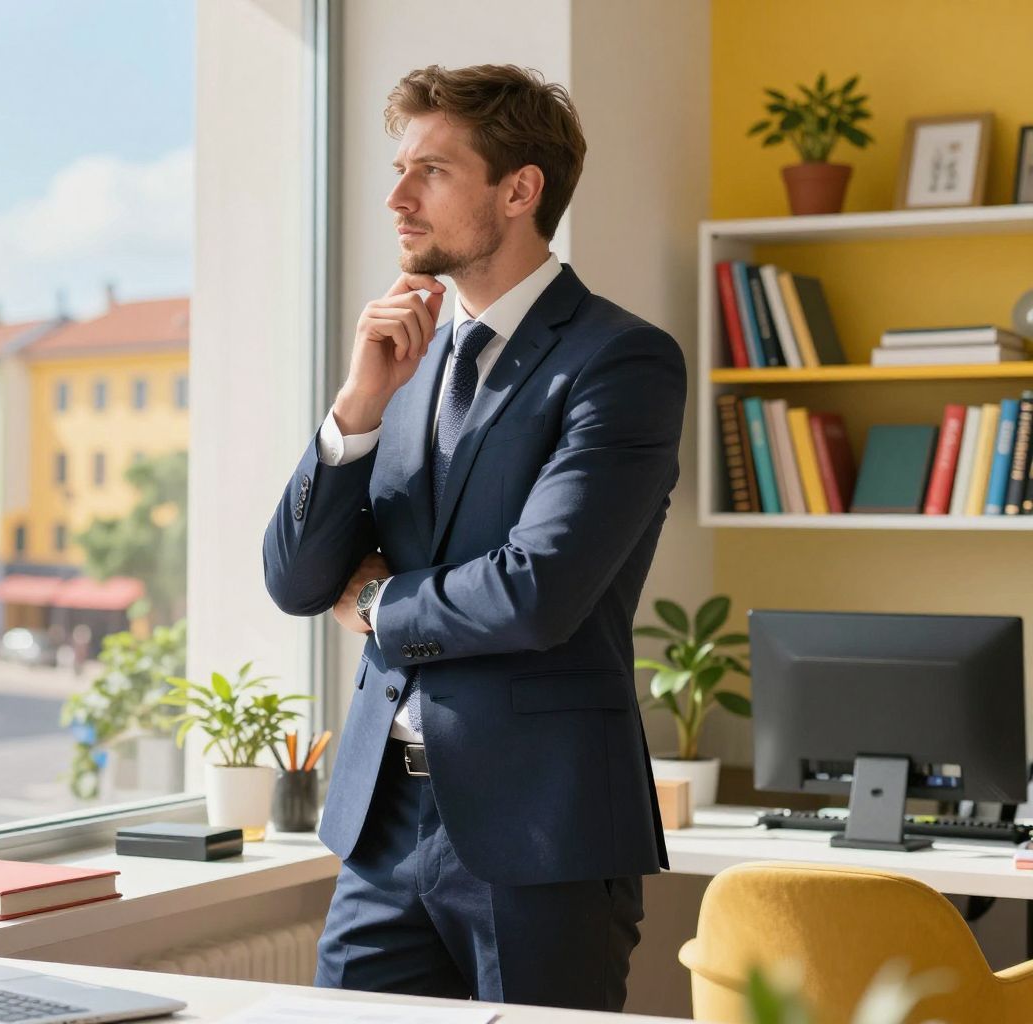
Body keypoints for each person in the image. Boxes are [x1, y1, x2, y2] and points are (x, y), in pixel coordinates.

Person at [262, 64, 686, 1011]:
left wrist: (374, 602)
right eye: (398, 168)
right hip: (381, 827)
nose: (396, 196)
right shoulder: (403, 360)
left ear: (519, 189)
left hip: (541, 833)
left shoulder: (620, 361)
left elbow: (535, 589)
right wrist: (357, 406)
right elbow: (296, 580)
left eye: (432, 171)